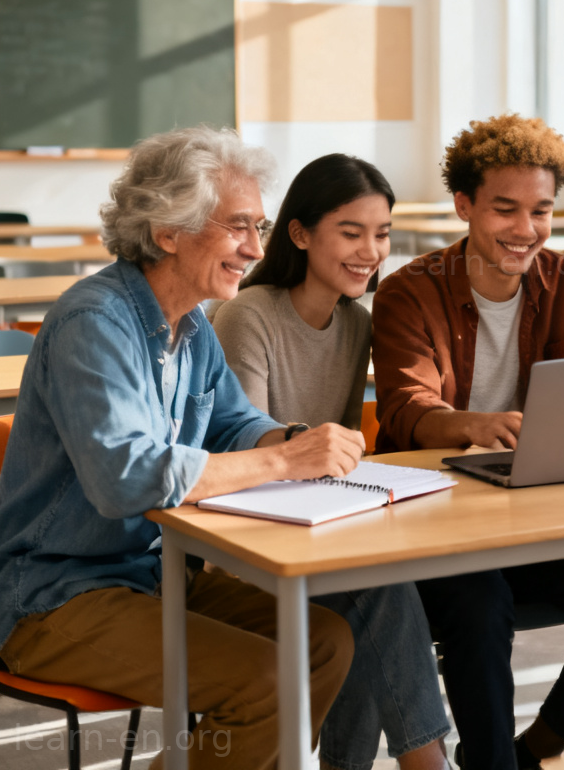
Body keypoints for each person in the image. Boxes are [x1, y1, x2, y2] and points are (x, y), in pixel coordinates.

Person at [0, 127, 362, 770]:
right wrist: (283, 462)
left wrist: (295, 440)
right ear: (168, 230)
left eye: (259, 226)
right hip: (54, 592)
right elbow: (126, 478)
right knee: (266, 681)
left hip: (151, 576)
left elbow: (234, 423)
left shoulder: (190, 324)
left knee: (325, 641)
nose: (256, 248)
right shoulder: (93, 322)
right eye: (238, 226)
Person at [371, 114, 564, 770]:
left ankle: (537, 748)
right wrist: (471, 425)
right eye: (505, 209)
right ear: (464, 206)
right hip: (437, 529)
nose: (526, 229)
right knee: (480, 604)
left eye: (541, 210)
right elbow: (404, 407)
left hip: (533, 519)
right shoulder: (408, 291)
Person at [213, 153, 450, 770]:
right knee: (376, 590)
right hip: (244, 539)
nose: (371, 251)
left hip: (318, 527)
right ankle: (427, 761)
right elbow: (240, 450)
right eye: (351, 233)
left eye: (382, 234)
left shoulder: (357, 324)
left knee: (375, 584)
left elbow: (334, 456)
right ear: (299, 233)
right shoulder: (248, 316)